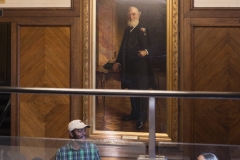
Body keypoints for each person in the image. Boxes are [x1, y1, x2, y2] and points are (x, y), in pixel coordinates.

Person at [112, 6, 159, 129]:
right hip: (129, 67)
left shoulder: (146, 28)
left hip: (142, 67)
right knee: (132, 91)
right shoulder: (128, 30)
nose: (131, 17)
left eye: (134, 14)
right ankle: (134, 113)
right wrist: (118, 61)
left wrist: (146, 51)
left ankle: (142, 118)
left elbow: (155, 45)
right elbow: (123, 48)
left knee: (142, 93)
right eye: (129, 15)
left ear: (139, 14)